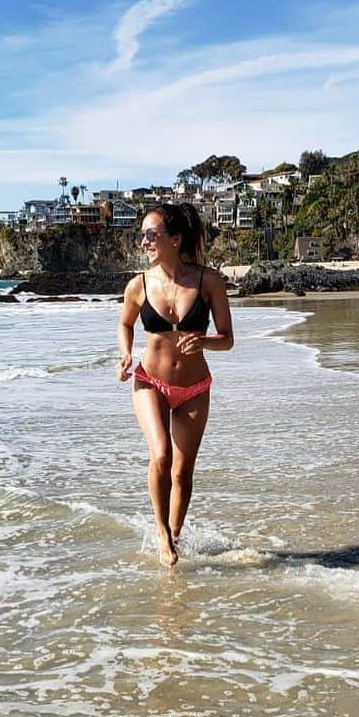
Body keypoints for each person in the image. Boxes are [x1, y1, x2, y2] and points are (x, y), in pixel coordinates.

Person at [116, 203, 234, 566]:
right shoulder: (138, 284)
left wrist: (205, 342)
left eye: (152, 234)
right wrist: (125, 354)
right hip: (149, 381)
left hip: (194, 387)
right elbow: (125, 324)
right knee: (162, 456)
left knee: (183, 472)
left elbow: (227, 338)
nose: (144, 241)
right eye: (142, 235)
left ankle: (176, 534)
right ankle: (162, 534)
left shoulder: (208, 280)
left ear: (176, 239)